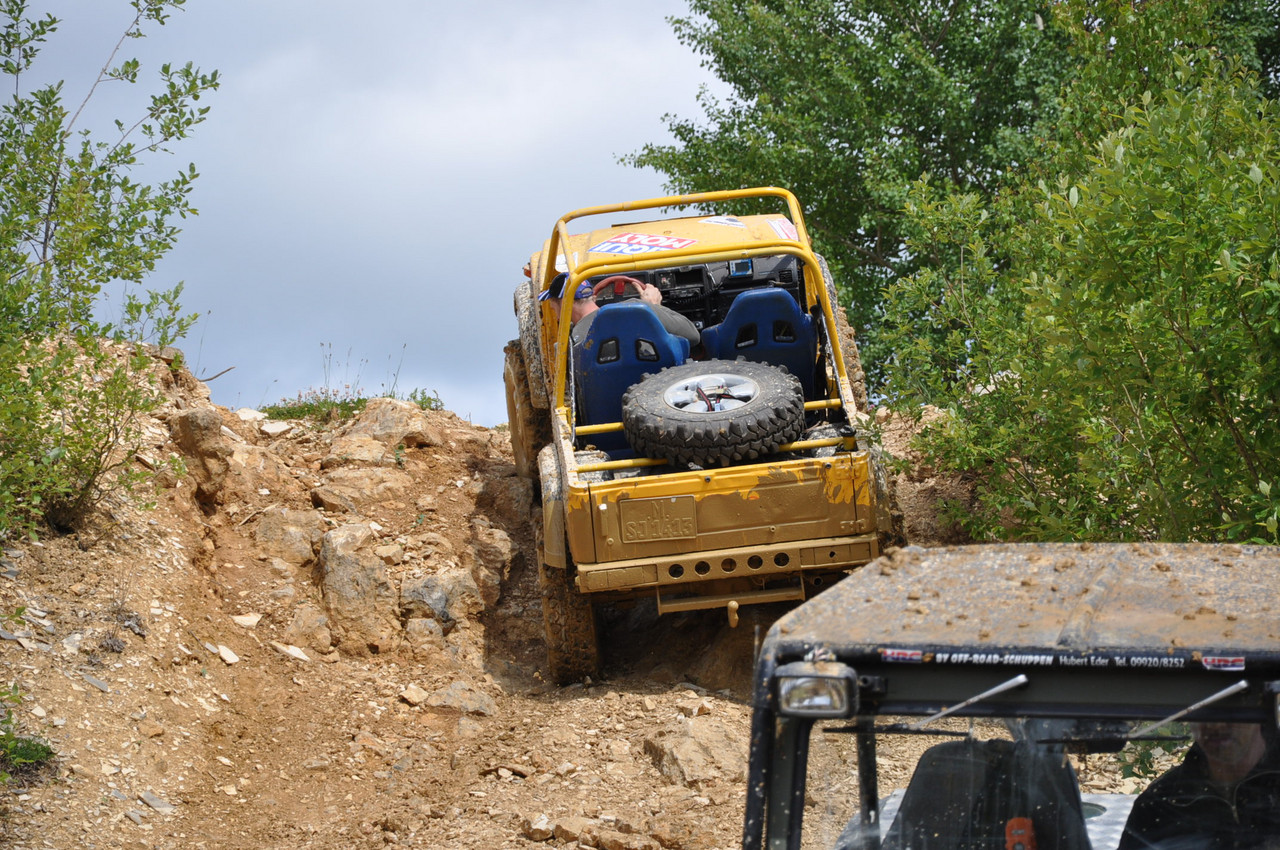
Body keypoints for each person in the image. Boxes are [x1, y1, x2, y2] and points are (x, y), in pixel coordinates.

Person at [1118, 722, 1280, 850]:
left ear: (1262, 703)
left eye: (1229, 706)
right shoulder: (1159, 804)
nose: (1215, 725)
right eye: (1205, 708)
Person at [570, 275, 700, 348]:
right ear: (593, 298)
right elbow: (693, 336)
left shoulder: (572, 340)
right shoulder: (642, 307)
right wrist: (654, 307)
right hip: (660, 380)